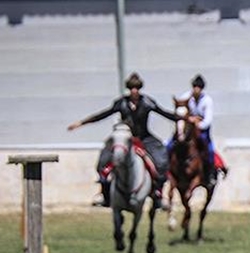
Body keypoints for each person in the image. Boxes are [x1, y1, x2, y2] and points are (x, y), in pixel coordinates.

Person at [68, 72, 178, 208]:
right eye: (132, 88)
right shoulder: (121, 103)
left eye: (137, 88)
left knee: (161, 157)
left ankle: (158, 192)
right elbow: (103, 114)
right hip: (125, 137)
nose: (134, 91)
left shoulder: (148, 102)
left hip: (144, 137)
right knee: (105, 157)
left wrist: (186, 119)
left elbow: (165, 113)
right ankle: (104, 193)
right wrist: (81, 122)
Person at [171, 74, 227, 183]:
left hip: (201, 130)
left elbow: (208, 120)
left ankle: (211, 174)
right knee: (170, 144)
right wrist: (189, 119)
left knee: (209, 149)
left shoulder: (207, 100)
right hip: (185, 128)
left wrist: (197, 124)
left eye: (199, 88)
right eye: (195, 87)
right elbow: (180, 110)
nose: (196, 90)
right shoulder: (186, 97)